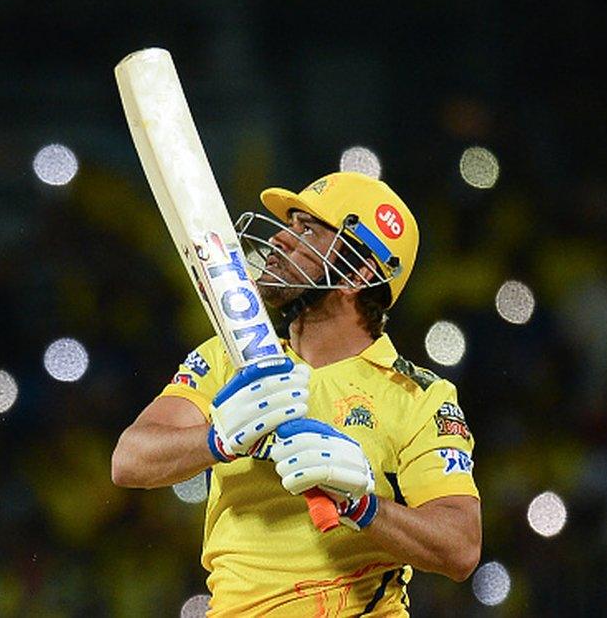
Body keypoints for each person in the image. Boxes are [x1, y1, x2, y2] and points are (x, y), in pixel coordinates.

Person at [112, 172, 481, 616]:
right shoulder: (228, 358)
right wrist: (218, 439)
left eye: (307, 230)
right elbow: (129, 460)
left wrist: (361, 505)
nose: (282, 240)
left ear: (359, 273)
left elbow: (460, 548)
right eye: (290, 226)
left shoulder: (419, 396)